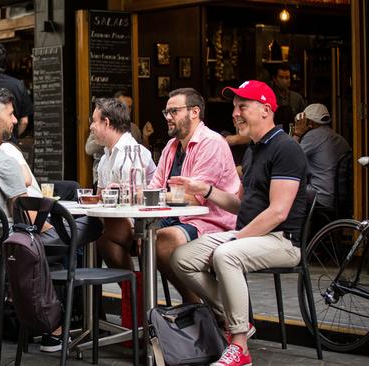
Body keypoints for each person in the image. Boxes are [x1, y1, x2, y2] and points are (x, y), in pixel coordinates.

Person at [0, 87, 101, 351]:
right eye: (11, 113)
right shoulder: (5, 163)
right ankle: (78, 319)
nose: (15, 120)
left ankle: (66, 313)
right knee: (94, 224)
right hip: (15, 253)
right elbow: (31, 221)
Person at [169, 80, 308, 366]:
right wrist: (203, 189)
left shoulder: (286, 149)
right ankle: (239, 316)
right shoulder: (253, 150)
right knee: (181, 256)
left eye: (242, 106)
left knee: (226, 254)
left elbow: (278, 213)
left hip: (281, 240)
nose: (235, 114)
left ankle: (240, 344)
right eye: (234, 107)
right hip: (251, 235)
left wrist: (237, 237)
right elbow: (239, 204)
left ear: (266, 110)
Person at [146, 88, 240, 303]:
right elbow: (155, 187)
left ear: (194, 112)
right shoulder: (171, 146)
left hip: (212, 221)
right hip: (179, 218)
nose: (168, 117)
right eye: (166, 112)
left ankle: (199, 305)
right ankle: (189, 305)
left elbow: (194, 199)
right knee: (142, 239)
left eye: (174, 111)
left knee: (162, 241)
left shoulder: (212, 143)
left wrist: (157, 195)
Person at [91, 98, 156, 271]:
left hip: (146, 222)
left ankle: (135, 293)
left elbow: (135, 200)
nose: (91, 127)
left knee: (97, 236)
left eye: (94, 121)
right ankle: (133, 293)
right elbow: (101, 198)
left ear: (106, 122)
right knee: (91, 232)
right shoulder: (105, 156)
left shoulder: (133, 151)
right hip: (120, 220)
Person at [292, 103, 350, 209]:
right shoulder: (340, 139)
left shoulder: (313, 136)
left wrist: (297, 134)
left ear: (309, 122)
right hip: (340, 197)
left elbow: (288, 158)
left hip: (321, 196)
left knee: (285, 190)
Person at [271, 63, 305, 132]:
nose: (284, 81)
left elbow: (303, 120)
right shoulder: (268, 97)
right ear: (274, 78)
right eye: (281, 77)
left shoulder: (297, 98)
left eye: (287, 78)